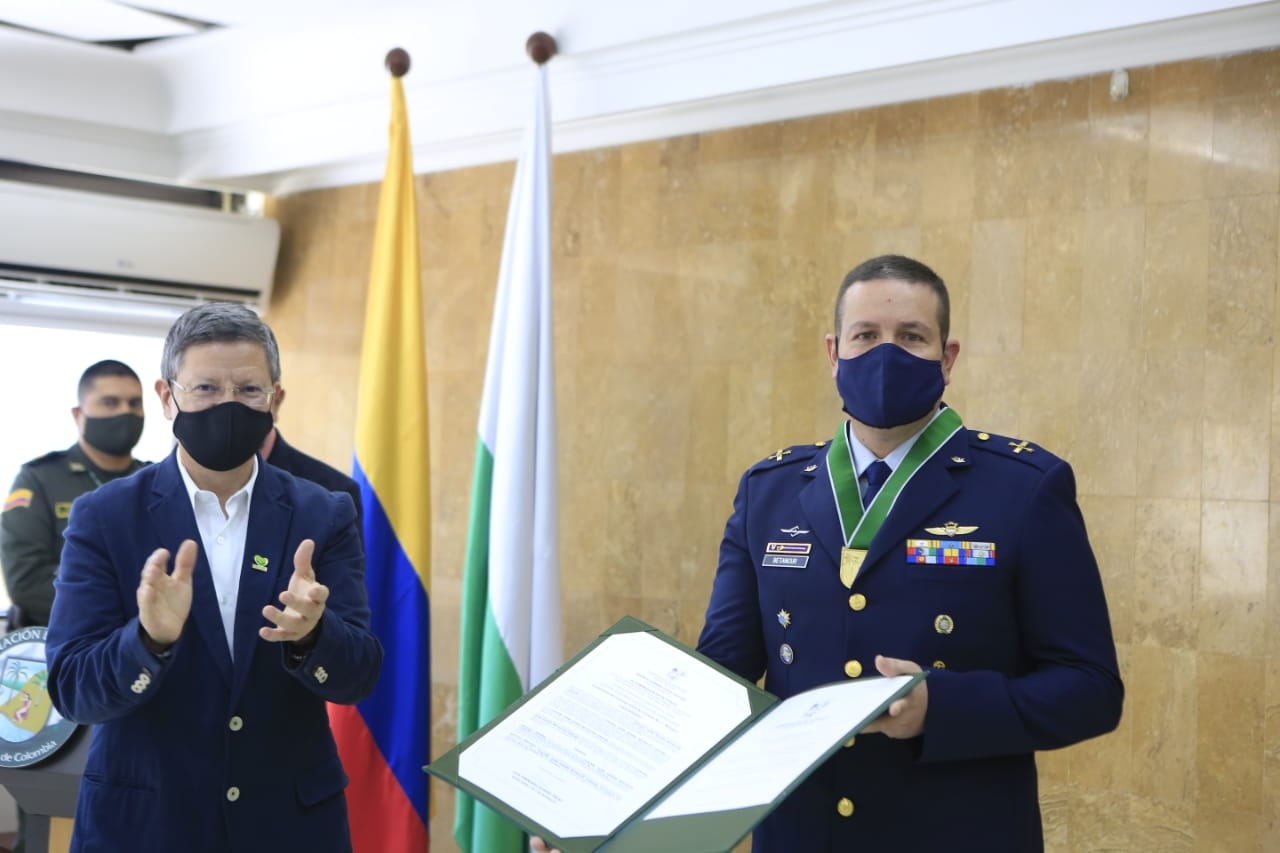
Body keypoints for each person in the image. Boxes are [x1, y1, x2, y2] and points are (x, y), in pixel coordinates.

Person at [691, 254, 1124, 852]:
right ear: (833, 353)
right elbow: (718, 683)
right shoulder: (769, 491)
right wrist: (606, 818)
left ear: (947, 359)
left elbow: (1091, 689)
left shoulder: (1024, 488)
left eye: (912, 337)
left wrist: (939, 708)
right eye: (865, 335)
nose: (885, 355)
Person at [45, 302, 383, 853]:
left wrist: (315, 637)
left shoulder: (325, 512)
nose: (228, 405)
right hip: (146, 825)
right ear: (167, 397)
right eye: (205, 389)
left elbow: (360, 677)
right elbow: (72, 689)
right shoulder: (105, 517)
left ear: (275, 398)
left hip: (288, 826)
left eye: (249, 390)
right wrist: (147, 640)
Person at [1, 358, 149, 630]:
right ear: (78, 415)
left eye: (134, 403)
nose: (125, 412)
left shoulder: (154, 480)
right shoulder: (40, 479)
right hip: (66, 641)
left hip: (148, 646)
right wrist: (119, 607)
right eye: (110, 403)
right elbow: (26, 580)